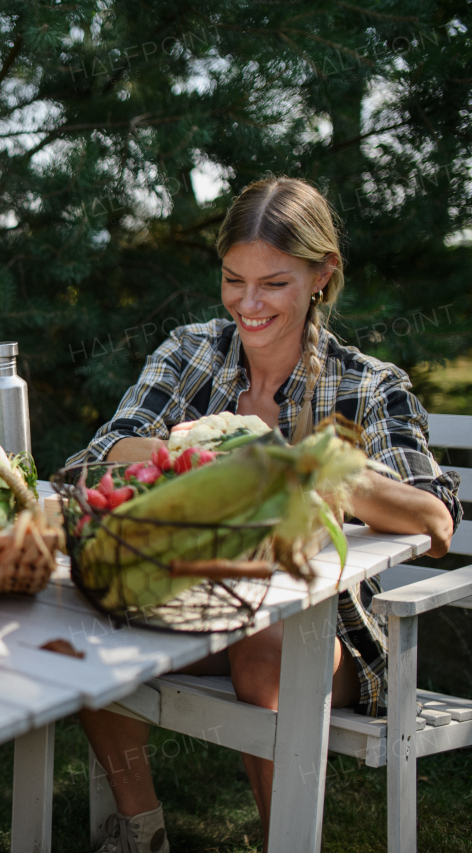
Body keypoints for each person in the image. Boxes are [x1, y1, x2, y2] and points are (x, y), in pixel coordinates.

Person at [66, 176, 460, 853]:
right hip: (196, 599)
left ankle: (287, 842)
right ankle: (140, 829)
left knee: (265, 649)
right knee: (82, 624)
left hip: (322, 629)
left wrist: (296, 465)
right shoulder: (193, 352)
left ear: (322, 275)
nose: (248, 304)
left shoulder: (365, 386)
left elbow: (434, 516)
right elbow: (99, 453)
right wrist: (193, 448)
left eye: (273, 283)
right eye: (233, 279)